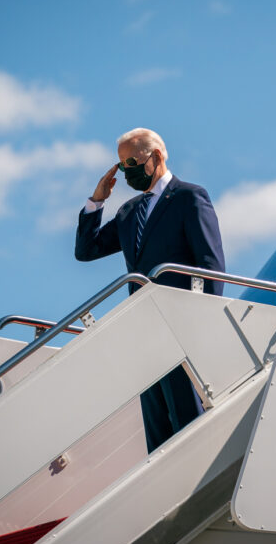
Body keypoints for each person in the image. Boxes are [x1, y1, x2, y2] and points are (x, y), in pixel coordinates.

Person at [75, 127, 225, 452]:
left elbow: (211, 266)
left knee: (188, 419)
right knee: (157, 429)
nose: (127, 172)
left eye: (131, 163)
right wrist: (97, 199)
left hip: (181, 327)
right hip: (144, 331)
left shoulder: (188, 197)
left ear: (155, 156)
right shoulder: (129, 212)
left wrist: (205, 325)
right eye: (121, 166)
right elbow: (86, 251)